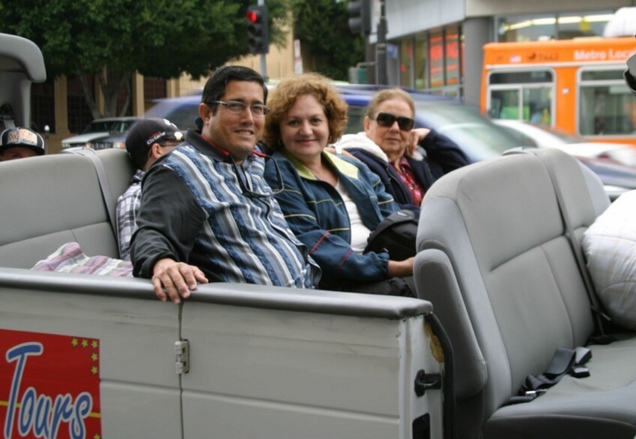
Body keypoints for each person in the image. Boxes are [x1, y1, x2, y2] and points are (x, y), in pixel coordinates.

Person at [130, 65, 320, 304]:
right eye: (236, 106)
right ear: (207, 113)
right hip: (261, 320)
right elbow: (151, 233)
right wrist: (163, 263)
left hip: (311, 297)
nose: (249, 118)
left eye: (258, 108)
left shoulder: (250, 158)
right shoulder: (179, 169)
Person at [263, 73, 415, 296]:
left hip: (385, 269)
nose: (306, 131)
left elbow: (393, 218)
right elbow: (313, 244)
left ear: (329, 123)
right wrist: (394, 267)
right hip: (339, 288)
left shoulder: (353, 167)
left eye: (315, 120)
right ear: (279, 129)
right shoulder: (278, 172)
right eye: (294, 122)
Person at [333, 88, 469, 207]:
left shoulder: (419, 161)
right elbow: (387, 212)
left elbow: (464, 173)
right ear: (368, 125)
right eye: (386, 120)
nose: (395, 128)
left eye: (404, 123)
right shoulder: (356, 163)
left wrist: (429, 137)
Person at [116, 118, 184, 261]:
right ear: (157, 150)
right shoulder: (136, 198)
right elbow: (135, 262)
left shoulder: (181, 187)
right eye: (178, 146)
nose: (185, 152)